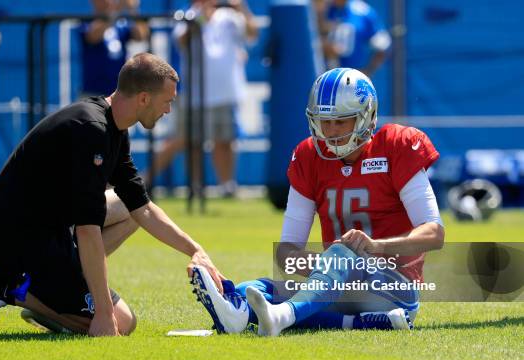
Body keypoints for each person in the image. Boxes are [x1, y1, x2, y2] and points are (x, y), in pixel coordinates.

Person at [0, 53, 226, 338]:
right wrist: (103, 312)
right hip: (13, 236)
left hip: (45, 230)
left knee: (129, 209)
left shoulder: (114, 128)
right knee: (120, 323)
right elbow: (87, 230)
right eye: (167, 101)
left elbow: (142, 208)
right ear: (144, 99)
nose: (169, 110)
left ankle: (58, 292)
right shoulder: (92, 130)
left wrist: (195, 250)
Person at [190, 67, 445, 335]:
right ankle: (244, 315)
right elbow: (287, 251)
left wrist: (374, 247)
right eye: (324, 120)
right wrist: (325, 269)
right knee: (251, 290)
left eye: (341, 121)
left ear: (366, 117)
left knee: (342, 254)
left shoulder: (396, 145)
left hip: (393, 285)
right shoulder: (308, 156)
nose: (330, 131)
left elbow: (434, 233)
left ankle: (281, 315)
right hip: (337, 284)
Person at [151, 0, 258, 197]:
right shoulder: (189, 16)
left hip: (226, 91)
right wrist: (201, 17)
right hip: (196, 93)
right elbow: (182, 41)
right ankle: (194, 186)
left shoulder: (231, 16)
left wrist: (241, 7)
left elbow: (252, 34)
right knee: (190, 142)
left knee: (225, 140)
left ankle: (227, 186)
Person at [78, 0, 148, 97]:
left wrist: (133, 9)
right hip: (93, 92)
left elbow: (140, 35)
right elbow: (93, 36)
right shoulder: (87, 21)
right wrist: (118, 8)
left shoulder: (121, 22)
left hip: (118, 92)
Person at [315, 0, 391, 77]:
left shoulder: (363, 11)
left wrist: (367, 72)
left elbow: (382, 47)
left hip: (353, 79)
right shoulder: (321, 8)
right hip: (322, 78)